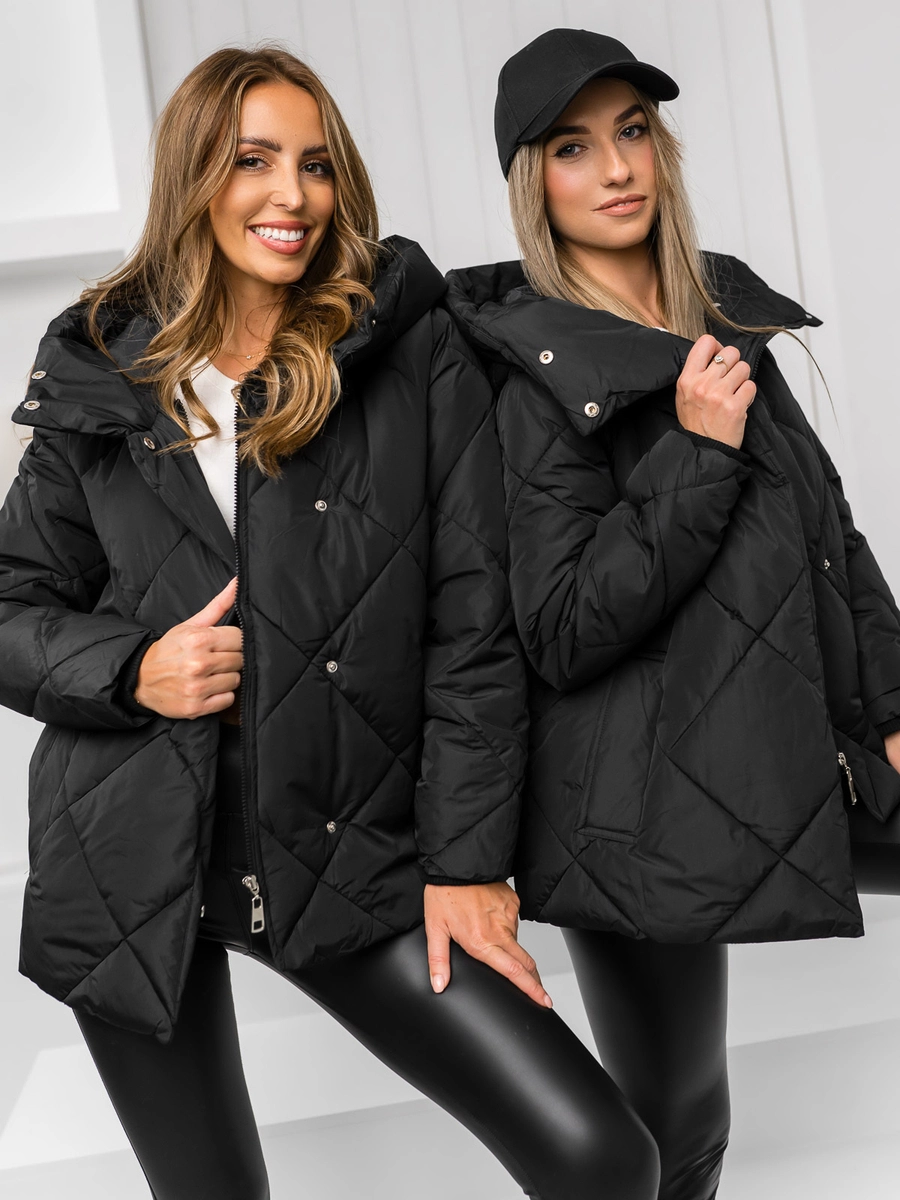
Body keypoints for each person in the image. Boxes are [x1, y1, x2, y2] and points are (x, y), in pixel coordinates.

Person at [0, 44, 669, 1200]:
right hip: (131, 857)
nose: (291, 195)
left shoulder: (409, 349)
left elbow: (474, 631)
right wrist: (133, 668)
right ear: (194, 176)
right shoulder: (103, 362)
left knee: (601, 1158)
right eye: (252, 161)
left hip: (350, 849)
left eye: (315, 165)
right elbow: (13, 601)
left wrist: (466, 863)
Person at [446, 28, 900, 1200]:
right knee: (678, 1131)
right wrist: (696, 454)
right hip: (630, 803)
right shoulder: (533, 370)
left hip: (778, 745)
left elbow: (831, 539)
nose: (616, 168)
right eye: (573, 147)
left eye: (633, 132)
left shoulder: (721, 315)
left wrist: (892, 711)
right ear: (532, 181)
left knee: (681, 1129)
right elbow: (562, 625)